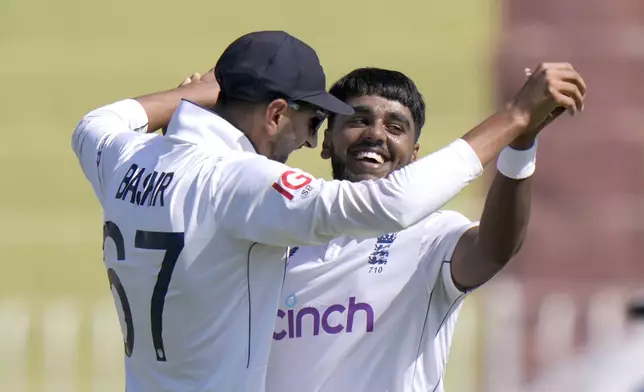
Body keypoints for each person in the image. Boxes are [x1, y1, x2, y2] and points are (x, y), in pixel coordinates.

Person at [71, 27, 584, 392]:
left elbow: (95, 122)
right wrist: (515, 117)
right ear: (278, 114)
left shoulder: (124, 158)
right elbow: (391, 203)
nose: (305, 137)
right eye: (314, 121)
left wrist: (203, 95)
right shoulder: (247, 189)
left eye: (396, 127)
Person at [265, 67, 586, 392]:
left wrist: (521, 144)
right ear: (327, 142)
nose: (375, 134)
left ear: (415, 154)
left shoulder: (429, 234)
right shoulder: (278, 239)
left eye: (395, 127)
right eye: (358, 120)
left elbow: (493, 250)